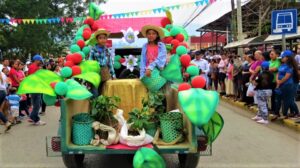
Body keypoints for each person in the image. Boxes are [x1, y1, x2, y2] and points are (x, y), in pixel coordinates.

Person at [89, 29, 116, 97]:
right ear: (97, 40)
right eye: (100, 38)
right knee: (95, 92)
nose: (102, 40)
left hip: (105, 73)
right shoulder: (93, 50)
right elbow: (90, 61)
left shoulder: (107, 51)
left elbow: (110, 64)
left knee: (104, 91)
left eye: (104, 38)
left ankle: (103, 106)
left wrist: (113, 75)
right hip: (96, 73)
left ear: (106, 39)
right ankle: (95, 105)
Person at [276, 50, 299, 119]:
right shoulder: (282, 64)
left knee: (288, 100)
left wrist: (280, 82)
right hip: (282, 84)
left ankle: (289, 113)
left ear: (287, 58)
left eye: (283, 57)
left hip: (290, 85)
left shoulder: (291, 66)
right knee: (288, 99)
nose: (281, 58)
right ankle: (295, 113)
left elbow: (287, 77)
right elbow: (278, 73)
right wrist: (278, 81)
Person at [28, 54, 46, 125]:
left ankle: (32, 117)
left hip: (35, 87)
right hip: (35, 88)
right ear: (36, 60)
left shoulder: (33, 67)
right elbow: (34, 78)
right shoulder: (34, 67)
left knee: (38, 104)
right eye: (40, 60)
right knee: (37, 104)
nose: (41, 62)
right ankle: (36, 120)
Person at [268, 50, 281, 120]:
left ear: (276, 55)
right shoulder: (270, 61)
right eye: (270, 54)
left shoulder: (278, 61)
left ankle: (276, 111)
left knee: (275, 96)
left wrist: (269, 69)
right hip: (270, 81)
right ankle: (273, 109)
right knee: (272, 96)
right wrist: (270, 69)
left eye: (272, 54)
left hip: (276, 81)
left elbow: (275, 69)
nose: (271, 55)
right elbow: (267, 68)